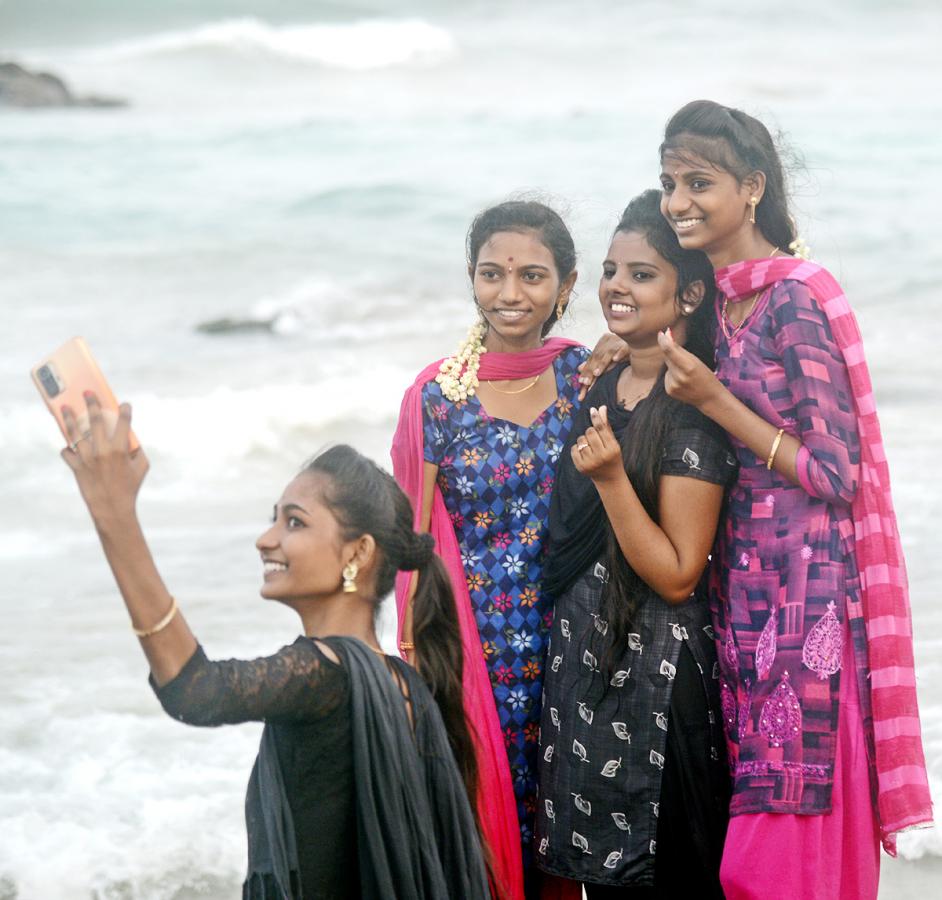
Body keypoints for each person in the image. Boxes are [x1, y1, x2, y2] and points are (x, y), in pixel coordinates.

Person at [654, 99, 933, 899]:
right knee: (751, 813)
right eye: (669, 182)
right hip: (742, 596)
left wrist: (714, 401)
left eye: (698, 182)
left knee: (771, 847)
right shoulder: (718, 297)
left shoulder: (796, 299)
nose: (678, 202)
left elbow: (835, 472)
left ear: (752, 188)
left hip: (810, 600)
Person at [57, 401, 489, 900]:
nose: (266, 539)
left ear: (358, 552)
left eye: (295, 523)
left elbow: (193, 689)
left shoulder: (324, 676)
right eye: (274, 520)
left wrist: (114, 516)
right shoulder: (405, 683)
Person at [535, 189, 737, 898]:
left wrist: (616, 480)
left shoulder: (693, 410)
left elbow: (680, 574)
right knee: (601, 884)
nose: (617, 286)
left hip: (656, 682)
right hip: (584, 677)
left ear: (687, 295)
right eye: (611, 269)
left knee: (669, 877)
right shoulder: (603, 381)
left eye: (641, 273)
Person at [391, 200, 590, 899]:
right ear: (471, 279)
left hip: (578, 650)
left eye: (532, 275)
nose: (510, 294)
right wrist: (418, 670)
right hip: (480, 658)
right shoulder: (438, 398)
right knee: (484, 844)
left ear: (565, 287)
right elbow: (412, 544)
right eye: (492, 274)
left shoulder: (585, 379)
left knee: (571, 842)